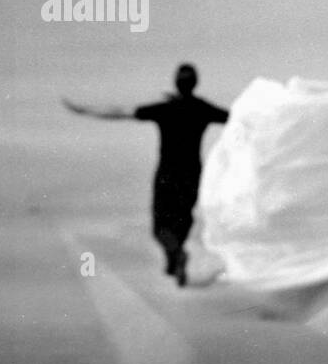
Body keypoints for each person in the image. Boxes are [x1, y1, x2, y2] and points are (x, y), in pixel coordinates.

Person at [63, 64, 229, 286]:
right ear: (195, 83)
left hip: (168, 173)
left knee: (160, 225)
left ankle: (175, 254)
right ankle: (175, 255)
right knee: (183, 218)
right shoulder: (203, 109)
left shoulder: (165, 109)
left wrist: (85, 110)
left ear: (176, 83)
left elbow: (121, 112)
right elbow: (238, 117)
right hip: (192, 173)